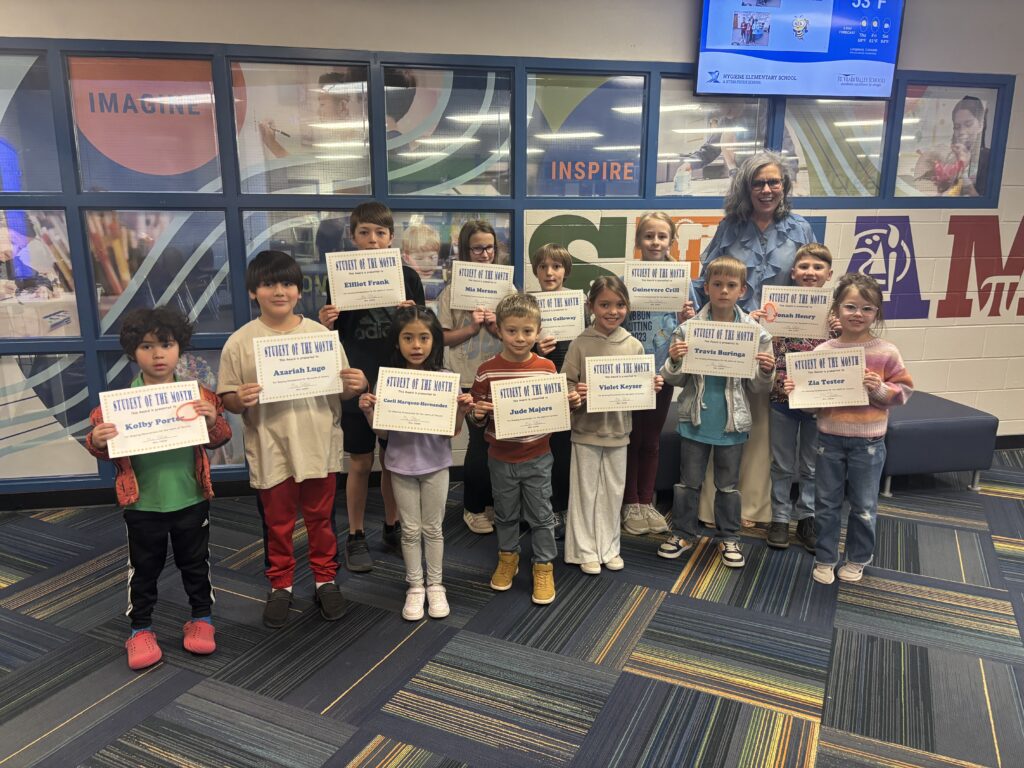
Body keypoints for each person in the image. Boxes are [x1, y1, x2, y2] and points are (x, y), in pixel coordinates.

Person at [218, 250, 368, 628]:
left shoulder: (321, 337)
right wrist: (240, 399)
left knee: (320, 519)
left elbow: (343, 391)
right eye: (269, 284)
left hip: (317, 443)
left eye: (287, 283)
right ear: (254, 292)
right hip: (271, 447)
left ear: (300, 291)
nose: (279, 291)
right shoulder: (240, 342)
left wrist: (357, 384)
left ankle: (325, 579)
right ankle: (280, 584)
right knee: (278, 522)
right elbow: (229, 400)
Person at [87, 306, 232, 670]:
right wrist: (98, 440)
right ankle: (140, 629)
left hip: (191, 497)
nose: (158, 354)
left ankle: (202, 619)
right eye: (147, 346)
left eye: (166, 345)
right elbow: (101, 449)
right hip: (143, 503)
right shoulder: (117, 406)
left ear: (179, 348)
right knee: (144, 568)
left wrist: (213, 421)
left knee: (196, 564)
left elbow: (220, 437)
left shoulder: (198, 396)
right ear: (133, 353)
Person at [695, 150, 815, 526]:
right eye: (758, 183)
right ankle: (717, 506)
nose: (766, 189)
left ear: (785, 186)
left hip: (779, 342)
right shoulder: (730, 226)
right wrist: (707, 323)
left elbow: (813, 280)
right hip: (732, 335)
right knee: (725, 416)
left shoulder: (800, 229)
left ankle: (754, 507)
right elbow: (706, 279)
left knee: (765, 425)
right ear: (746, 187)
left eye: (773, 182)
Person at [784, 273, 913, 585]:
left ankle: (858, 558)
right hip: (829, 439)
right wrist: (797, 394)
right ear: (837, 310)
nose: (858, 314)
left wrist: (878, 388)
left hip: (869, 443)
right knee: (825, 504)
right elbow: (812, 406)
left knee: (864, 506)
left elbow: (904, 391)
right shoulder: (823, 352)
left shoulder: (886, 351)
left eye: (867, 309)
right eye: (851, 306)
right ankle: (826, 557)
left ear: (877, 314)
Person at [318, 202, 425, 573]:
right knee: (361, 462)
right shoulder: (339, 276)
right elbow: (330, 339)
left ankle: (392, 527)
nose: (373, 240)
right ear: (353, 236)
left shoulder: (409, 278)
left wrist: (411, 314)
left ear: (391, 238)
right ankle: (357, 534)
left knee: (394, 461)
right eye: (365, 233)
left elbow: (423, 336)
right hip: (354, 380)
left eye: (380, 233)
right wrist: (325, 323)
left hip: (396, 380)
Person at [358, 306, 474, 621]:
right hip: (401, 465)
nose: (417, 345)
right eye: (408, 338)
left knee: (433, 528)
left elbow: (452, 431)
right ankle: (415, 585)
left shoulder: (447, 379)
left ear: (435, 341)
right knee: (409, 530)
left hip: (436, 464)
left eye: (424, 338)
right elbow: (383, 432)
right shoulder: (390, 381)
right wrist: (369, 411)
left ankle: (436, 584)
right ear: (397, 342)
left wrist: (462, 410)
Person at [658, 256, 774, 568]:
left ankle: (729, 537)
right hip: (695, 420)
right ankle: (683, 532)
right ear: (707, 288)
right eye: (717, 284)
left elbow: (760, 388)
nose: (724, 291)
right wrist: (674, 359)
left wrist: (766, 370)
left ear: (742, 290)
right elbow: (674, 379)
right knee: (688, 483)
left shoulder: (757, 334)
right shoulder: (689, 329)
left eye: (731, 285)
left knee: (728, 485)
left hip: (731, 423)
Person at [469, 292, 581, 604]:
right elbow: (476, 414)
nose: (520, 338)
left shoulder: (546, 368)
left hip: (537, 456)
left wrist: (570, 403)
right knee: (505, 513)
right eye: (512, 331)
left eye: (527, 331)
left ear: (538, 331)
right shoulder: (487, 369)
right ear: (500, 330)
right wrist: (477, 415)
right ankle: (508, 557)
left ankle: (543, 565)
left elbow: (554, 412)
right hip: (500, 457)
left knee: (542, 514)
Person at [562, 276, 663, 574]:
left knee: (612, 493)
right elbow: (566, 382)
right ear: (591, 306)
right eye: (604, 304)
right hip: (585, 432)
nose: (612, 311)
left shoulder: (633, 346)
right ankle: (583, 550)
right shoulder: (580, 343)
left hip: (620, 432)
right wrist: (573, 393)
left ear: (628, 307)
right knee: (584, 493)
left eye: (619, 305)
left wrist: (651, 385)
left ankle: (609, 548)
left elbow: (638, 388)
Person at [755, 243, 836, 552]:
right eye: (804, 267)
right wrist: (753, 321)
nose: (810, 273)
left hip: (819, 402)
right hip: (782, 397)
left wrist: (842, 333)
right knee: (781, 463)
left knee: (813, 465)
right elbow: (762, 345)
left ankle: (807, 517)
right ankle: (779, 517)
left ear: (829, 274)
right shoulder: (776, 307)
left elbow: (851, 353)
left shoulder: (837, 314)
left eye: (817, 268)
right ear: (793, 272)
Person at [622, 213, 694, 536]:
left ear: (671, 241)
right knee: (631, 437)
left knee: (651, 439)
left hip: (664, 370)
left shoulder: (682, 278)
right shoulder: (628, 277)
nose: (655, 242)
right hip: (630, 369)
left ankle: (646, 499)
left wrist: (688, 316)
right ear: (638, 241)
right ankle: (630, 502)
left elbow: (691, 325)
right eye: (648, 236)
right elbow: (614, 316)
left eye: (662, 237)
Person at [438, 220, 503, 535]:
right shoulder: (452, 290)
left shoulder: (506, 287)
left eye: (489, 247)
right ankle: (473, 508)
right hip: (467, 374)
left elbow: (519, 335)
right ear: (465, 251)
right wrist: (471, 328)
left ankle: (490, 502)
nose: (484, 254)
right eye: (477, 248)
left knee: (497, 441)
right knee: (478, 441)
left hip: (500, 373)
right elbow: (441, 338)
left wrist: (495, 327)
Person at [530, 243, 576, 537]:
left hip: (565, 387)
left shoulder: (577, 305)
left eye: (556, 266)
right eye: (544, 266)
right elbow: (516, 345)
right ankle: (538, 507)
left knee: (561, 452)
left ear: (565, 271)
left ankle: (561, 508)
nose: (550, 272)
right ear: (535, 270)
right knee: (536, 452)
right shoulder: (528, 305)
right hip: (537, 387)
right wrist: (537, 348)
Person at [914, 95, 990, 197]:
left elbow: (982, 204)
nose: (962, 132)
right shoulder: (948, 156)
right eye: (957, 127)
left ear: (981, 125)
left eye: (968, 124)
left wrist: (962, 168)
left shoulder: (989, 159)